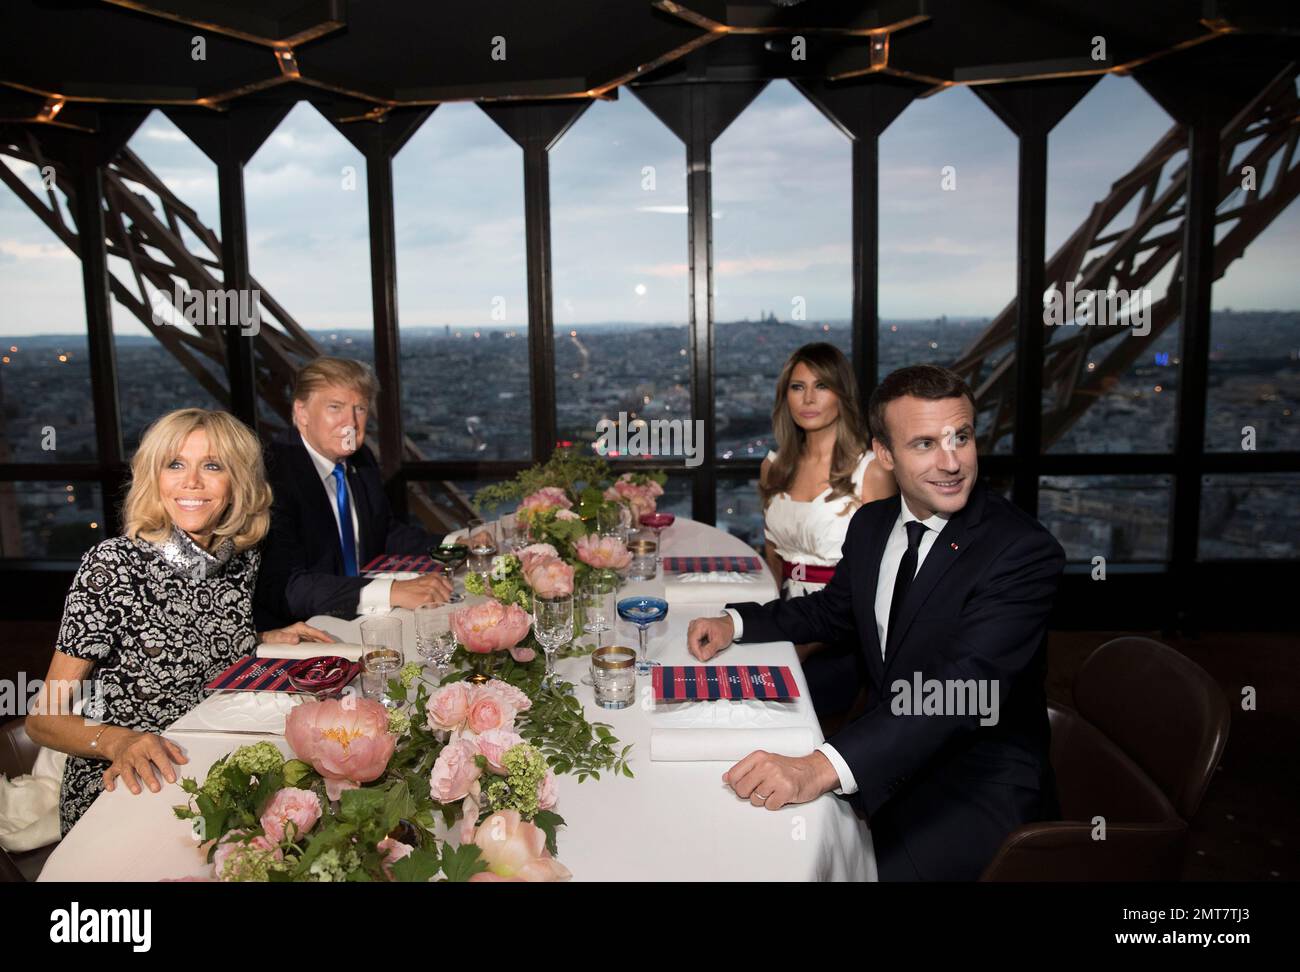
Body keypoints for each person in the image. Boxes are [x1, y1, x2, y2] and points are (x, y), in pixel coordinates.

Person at [687, 364, 1066, 881]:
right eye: (925, 444)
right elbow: (833, 610)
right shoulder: (872, 524)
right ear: (884, 453)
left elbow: (959, 689)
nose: (952, 462)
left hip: (973, 780)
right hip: (886, 754)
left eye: (962, 437)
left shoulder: (1021, 551)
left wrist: (818, 768)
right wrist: (739, 623)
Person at [27, 409, 333, 835]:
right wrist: (119, 741)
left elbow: (195, 639)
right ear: (155, 478)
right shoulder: (114, 566)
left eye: (212, 465)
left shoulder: (238, 557)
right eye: (175, 464)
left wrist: (260, 636)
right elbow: (42, 719)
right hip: (129, 783)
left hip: (207, 765)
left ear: (237, 483)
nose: (191, 482)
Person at [254, 357, 451, 630]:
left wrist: (456, 544)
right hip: (305, 630)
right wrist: (389, 591)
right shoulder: (272, 475)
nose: (351, 424)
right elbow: (288, 586)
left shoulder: (361, 459)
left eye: (360, 409)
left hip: (366, 618)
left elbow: (383, 533)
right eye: (335, 408)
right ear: (302, 413)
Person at [758, 343, 895, 722]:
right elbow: (773, 558)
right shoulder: (773, 468)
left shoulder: (871, 472)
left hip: (843, 632)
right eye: (797, 387)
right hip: (787, 614)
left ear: (842, 394)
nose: (808, 398)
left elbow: (878, 582)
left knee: (773, 708)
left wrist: (801, 644)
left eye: (822, 386)